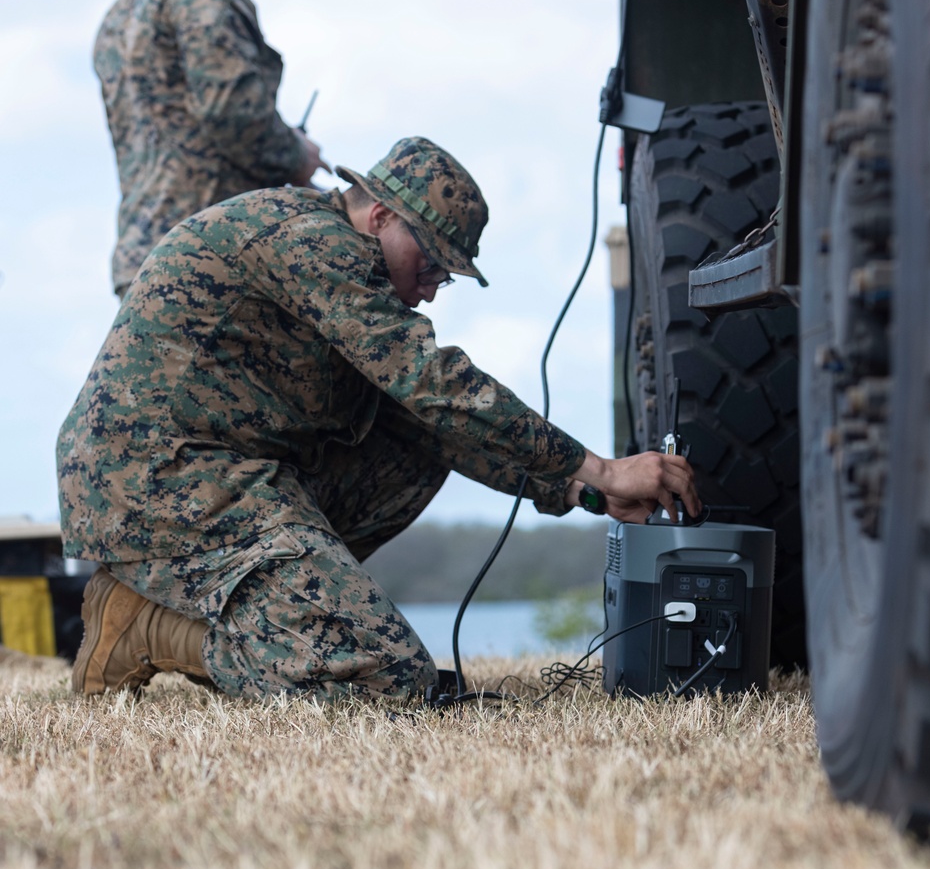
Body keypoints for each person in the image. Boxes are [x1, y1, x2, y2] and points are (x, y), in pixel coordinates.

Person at [58, 137, 700, 703]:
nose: (426, 291)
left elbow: (430, 416)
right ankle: (152, 626)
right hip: (151, 481)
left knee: (418, 440)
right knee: (383, 681)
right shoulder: (312, 242)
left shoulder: (336, 255)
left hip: (231, 472)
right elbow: (435, 382)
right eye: (428, 267)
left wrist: (577, 488)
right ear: (382, 215)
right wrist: (606, 467)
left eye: (442, 280)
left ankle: (274, 617)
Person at [93, 0, 327, 297]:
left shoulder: (119, 14)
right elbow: (234, 115)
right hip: (211, 259)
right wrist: (297, 155)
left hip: (144, 257)